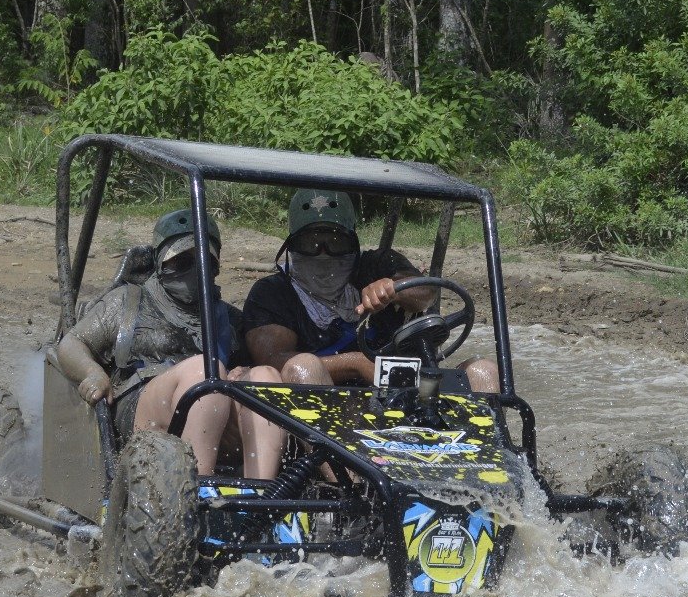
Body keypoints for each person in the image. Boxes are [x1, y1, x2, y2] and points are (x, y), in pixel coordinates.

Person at [239, 189, 499, 476]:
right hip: (325, 416)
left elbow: (425, 292)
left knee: (483, 371)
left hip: (411, 396)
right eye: (310, 243)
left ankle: (489, 478)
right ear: (291, 246)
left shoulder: (376, 265)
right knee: (303, 366)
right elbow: (272, 360)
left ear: (352, 243)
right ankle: (347, 483)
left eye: (335, 242)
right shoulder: (272, 293)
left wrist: (392, 289)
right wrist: (356, 363)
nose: (323, 253)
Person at [53, 209, 278, 476]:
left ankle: (264, 491)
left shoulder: (229, 320)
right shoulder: (127, 301)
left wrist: (242, 372)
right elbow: (72, 344)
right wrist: (92, 373)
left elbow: (249, 372)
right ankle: (196, 488)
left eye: (203, 262)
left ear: (215, 267)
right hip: (144, 408)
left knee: (266, 376)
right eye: (181, 261)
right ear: (160, 263)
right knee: (204, 372)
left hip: (216, 413)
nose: (194, 271)